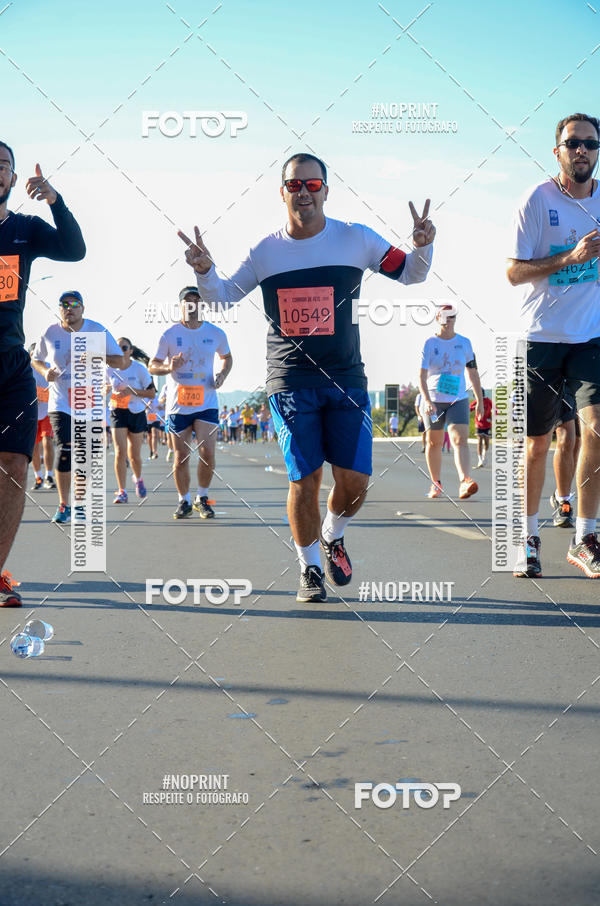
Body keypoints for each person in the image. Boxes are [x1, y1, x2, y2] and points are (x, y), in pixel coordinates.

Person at [179, 151, 435, 602]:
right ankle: (310, 568)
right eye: (294, 185)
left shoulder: (356, 239)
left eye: (312, 185)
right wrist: (204, 272)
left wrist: (422, 243)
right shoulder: (266, 251)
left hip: (346, 377)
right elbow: (221, 299)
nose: (303, 193)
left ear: (325, 191)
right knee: (306, 479)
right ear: (282, 193)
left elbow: (412, 274)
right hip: (291, 378)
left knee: (354, 481)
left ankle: (333, 534)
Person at [508, 112, 600, 578]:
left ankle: (585, 536)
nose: (581, 149)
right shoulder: (536, 200)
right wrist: (572, 257)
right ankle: (526, 536)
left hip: (591, 335)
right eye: (573, 143)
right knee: (538, 444)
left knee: (595, 430)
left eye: (590, 143)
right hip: (542, 335)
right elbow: (513, 272)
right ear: (557, 151)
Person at [0, 146, 85, 605]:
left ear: (13, 179)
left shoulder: (24, 230)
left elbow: (74, 249)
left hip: (11, 363)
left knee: (15, 465)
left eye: (2, 166)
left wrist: (56, 200)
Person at [32, 291, 123, 524]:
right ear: (59, 308)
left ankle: (80, 503)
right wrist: (46, 372)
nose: (69, 308)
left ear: (83, 308)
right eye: (64, 305)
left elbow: (120, 360)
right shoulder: (50, 333)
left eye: (74, 304)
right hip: (60, 402)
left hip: (89, 402)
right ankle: (64, 505)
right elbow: (36, 359)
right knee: (66, 451)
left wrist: (97, 355)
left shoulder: (97, 330)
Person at [149, 287, 232, 519]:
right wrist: (168, 368)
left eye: (197, 301)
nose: (192, 305)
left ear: (202, 305)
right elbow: (152, 365)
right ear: (181, 306)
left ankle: (202, 497)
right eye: (188, 301)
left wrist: (222, 375)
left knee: (207, 452)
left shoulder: (215, 333)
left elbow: (227, 357)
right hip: (178, 405)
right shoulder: (168, 334)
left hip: (206, 402)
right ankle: (183, 501)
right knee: (180, 455)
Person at [419, 305, 483, 499]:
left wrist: (479, 399)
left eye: (452, 316)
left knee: (460, 439)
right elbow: (421, 376)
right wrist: (427, 400)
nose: (449, 320)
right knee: (434, 442)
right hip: (434, 400)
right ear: (438, 318)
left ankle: (465, 481)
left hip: (458, 399)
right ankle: (435, 483)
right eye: (445, 316)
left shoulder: (464, 343)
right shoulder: (430, 343)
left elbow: (472, 372)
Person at [107, 338, 156, 503]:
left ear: (130, 351)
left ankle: (138, 478)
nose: (121, 350)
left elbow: (151, 394)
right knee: (120, 452)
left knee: (134, 456)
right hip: (117, 412)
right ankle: (122, 491)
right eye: (118, 347)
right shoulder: (108, 370)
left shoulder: (139, 369)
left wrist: (131, 391)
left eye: (124, 347)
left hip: (136, 412)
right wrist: (104, 389)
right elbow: (101, 389)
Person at [548, 388, 580, 528]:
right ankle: (563, 502)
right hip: (560, 381)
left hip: (585, 378)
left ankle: (559, 493)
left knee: (578, 442)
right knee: (566, 438)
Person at [29, 344, 55, 490]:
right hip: (31, 413)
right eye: (33, 354)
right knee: (34, 446)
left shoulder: (49, 367)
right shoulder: (25, 369)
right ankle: (38, 476)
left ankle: (49, 476)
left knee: (47, 441)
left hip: (47, 411)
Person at [470, 392, 493, 468]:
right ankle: (480, 460)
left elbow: (495, 410)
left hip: (487, 424)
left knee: (486, 442)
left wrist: (492, 417)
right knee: (479, 440)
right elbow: (469, 408)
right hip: (479, 424)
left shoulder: (488, 401)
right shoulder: (476, 402)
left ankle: (484, 455)